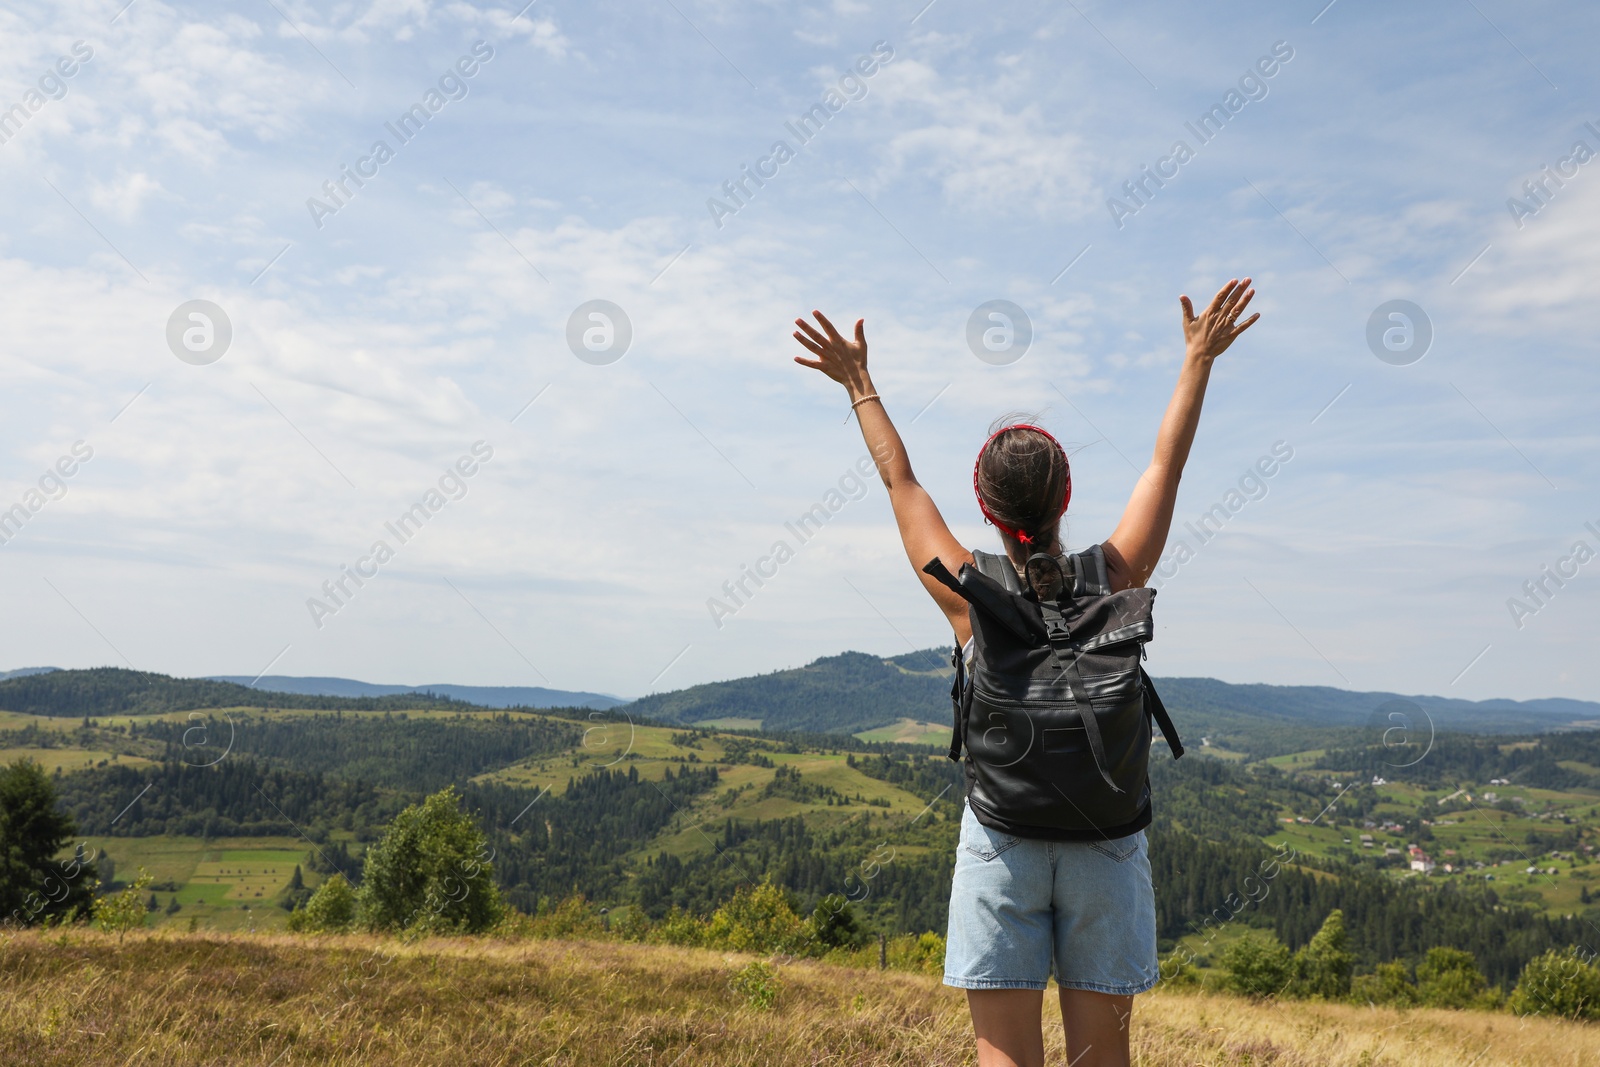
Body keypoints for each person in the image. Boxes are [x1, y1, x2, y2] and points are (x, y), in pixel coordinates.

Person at [791, 279, 1259, 1067]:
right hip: (1108, 841)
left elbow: (900, 483)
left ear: (983, 503)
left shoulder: (968, 594)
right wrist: (1197, 360)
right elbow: (1163, 467)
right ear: (1066, 497)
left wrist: (860, 384)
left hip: (1002, 836)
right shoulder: (1115, 574)